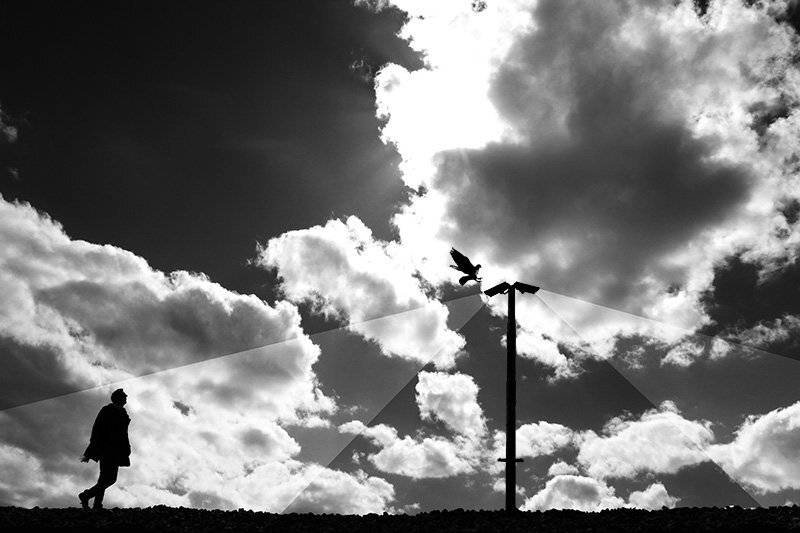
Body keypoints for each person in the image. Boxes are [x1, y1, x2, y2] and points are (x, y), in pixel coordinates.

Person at [79, 388, 131, 510]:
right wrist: (91, 450)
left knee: (104, 478)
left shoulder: (122, 412)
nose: (126, 397)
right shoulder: (107, 410)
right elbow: (97, 429)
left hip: (116, 449)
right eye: (124, 396)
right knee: (110, 479)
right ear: (118, 398)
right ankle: (86, 496)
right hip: (107, 449)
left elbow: (124, 434)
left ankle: (97, 505)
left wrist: (126, 447)